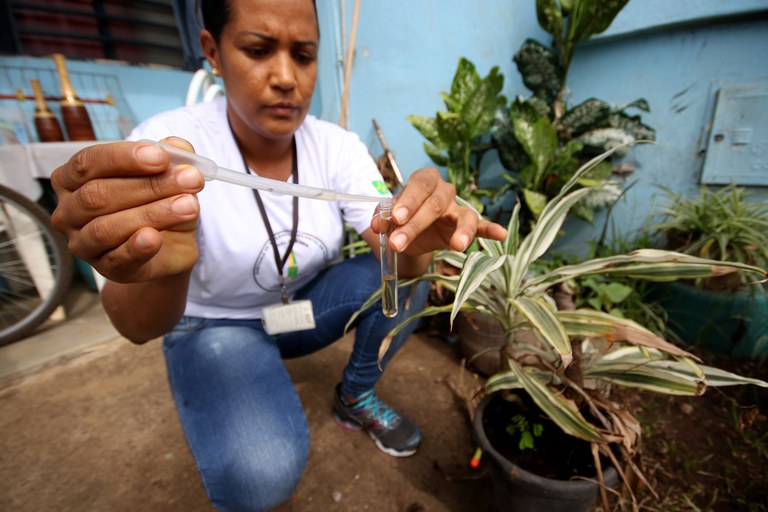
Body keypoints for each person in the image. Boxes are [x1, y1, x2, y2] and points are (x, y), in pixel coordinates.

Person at [51, 0, 507, 510]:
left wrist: (413, 242)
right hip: (214, 325)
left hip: (295, 309)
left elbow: (391, 243)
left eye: (305, 55)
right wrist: (163, 270)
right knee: (258, 475)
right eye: (257, 49)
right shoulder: (168, 150)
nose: (287, 78)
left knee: (409, 281)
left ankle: (354, 396)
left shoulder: (336, 147)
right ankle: (243, 370)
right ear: (212, 52)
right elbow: (135, 326)